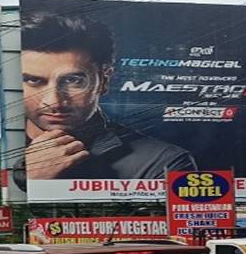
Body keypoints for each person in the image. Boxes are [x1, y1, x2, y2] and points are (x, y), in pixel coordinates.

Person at [12, 11, 197, 191]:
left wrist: (37, 183)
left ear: (104, 80)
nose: (54, 102)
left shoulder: (162, 161)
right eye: (34, 80)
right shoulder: (1, 145)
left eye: (73, 81)